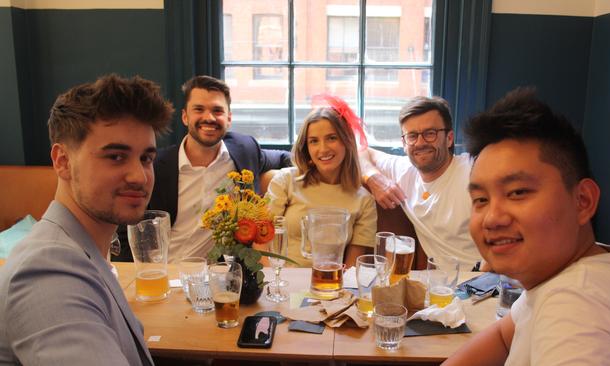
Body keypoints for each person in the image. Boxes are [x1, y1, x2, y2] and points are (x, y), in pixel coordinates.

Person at [444, 88, 610, 365]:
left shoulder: (577, 311)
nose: (492, 218)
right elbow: (504, 337)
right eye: (481, 199)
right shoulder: (576, 272)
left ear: (583, 201)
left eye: (517, 192)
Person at [0, 74, 173, 365]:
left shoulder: (85, 250)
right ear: (62, 161)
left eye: (146, 158)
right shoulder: (47, 272)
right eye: (116, 157)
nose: (139, 176)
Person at [114, 75, 291, 263]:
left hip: (222, 276)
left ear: (229, 118)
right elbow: (126, 230)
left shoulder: (245, 149)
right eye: (199, 109)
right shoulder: (156, 165)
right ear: (185, 116)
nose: (209, 117)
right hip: (166, 272)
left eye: (217, 110)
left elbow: (284, 158)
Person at [360, 96, 480, 270]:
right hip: (441, 286)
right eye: (412, 136)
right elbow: (361, 151)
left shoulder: (473, 171)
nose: (420, 143)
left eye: (430, 133)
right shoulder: (404, 170)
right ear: (404, 143)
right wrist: (373, 178)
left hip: (485, 283)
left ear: (449, 138)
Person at [266, 96, 377, 268]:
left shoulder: (364, 200)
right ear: (306, 147)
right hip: (282, 281)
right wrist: (274, 282)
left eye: (332, 138)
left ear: (346, 141)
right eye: (314, 141)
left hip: (329, 283)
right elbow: (260, 239)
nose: (323, 149)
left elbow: (352, 266)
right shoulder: (285, 181)